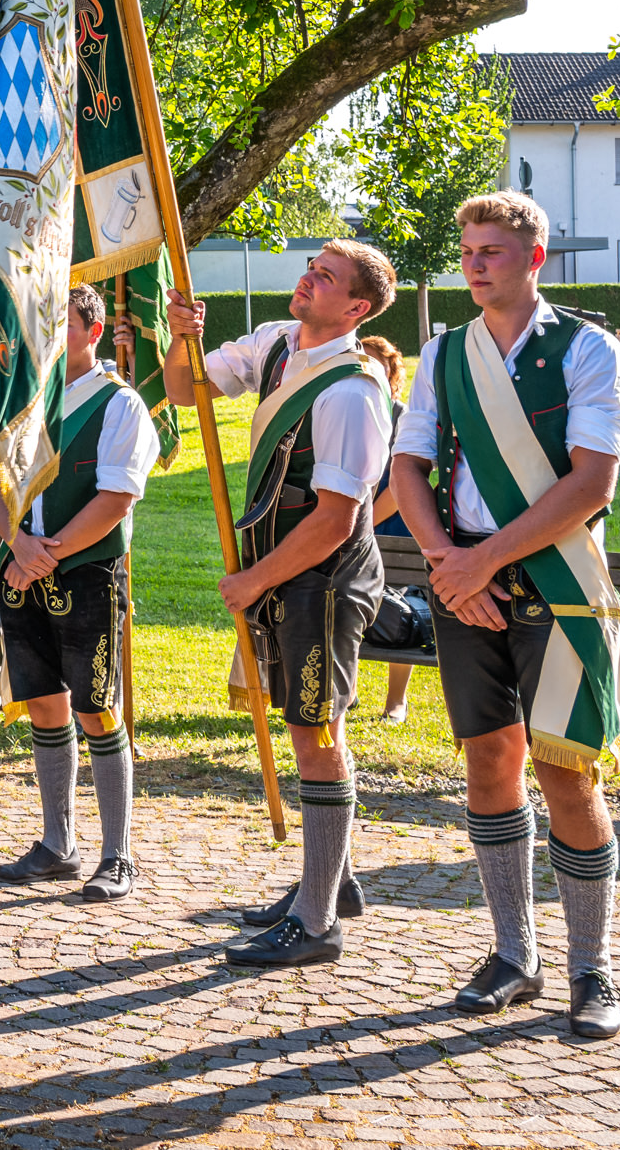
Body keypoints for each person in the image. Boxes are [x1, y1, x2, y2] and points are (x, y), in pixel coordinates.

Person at [387, 190, 620, 1039]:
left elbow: (592, 482)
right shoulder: (443, 351)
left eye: (491, 251)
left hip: (558, 578)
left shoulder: (587, 348)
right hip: (464, 578)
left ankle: (592, 969)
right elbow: (409, 467)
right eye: (467, 252)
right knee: (490, 763)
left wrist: (480, 562)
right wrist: (447, 565)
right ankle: (513, 954)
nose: (475, 265)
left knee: (567, 773)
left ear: (535, 258)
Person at [164, 242, 398, 966]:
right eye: (312, 267)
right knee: (315, 727)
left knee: (314, 736)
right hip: (286, 572)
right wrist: (179, 335)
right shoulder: (274, 343)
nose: (308, 279)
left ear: (356, 308)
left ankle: (318, 923)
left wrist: (255, 579)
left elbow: (336, 520)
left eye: (326, 277)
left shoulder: (354, 393)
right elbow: (184, 392)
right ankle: (333, 882)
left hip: (324, 579)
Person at [0, 286, 160, 904]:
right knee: (43, 705)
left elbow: (116, 500)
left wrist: (42, 556)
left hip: (86, 575)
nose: (48, 335)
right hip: (21, 568)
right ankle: (58, 843)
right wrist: (18, 545)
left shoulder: (120, 404)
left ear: (93, 331)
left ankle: (118, 855)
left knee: (97, 710)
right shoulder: (20, 398)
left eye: (61, 323)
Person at [358, 335, 416, 723]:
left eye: (374, 362)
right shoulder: (344, 407)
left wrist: (361, 526)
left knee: (400, 610)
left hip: (391, 528)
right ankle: (345, 692)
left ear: (391, 372)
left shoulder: (402, 417)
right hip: (350, 527)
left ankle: (396, 701)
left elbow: (400, 487)